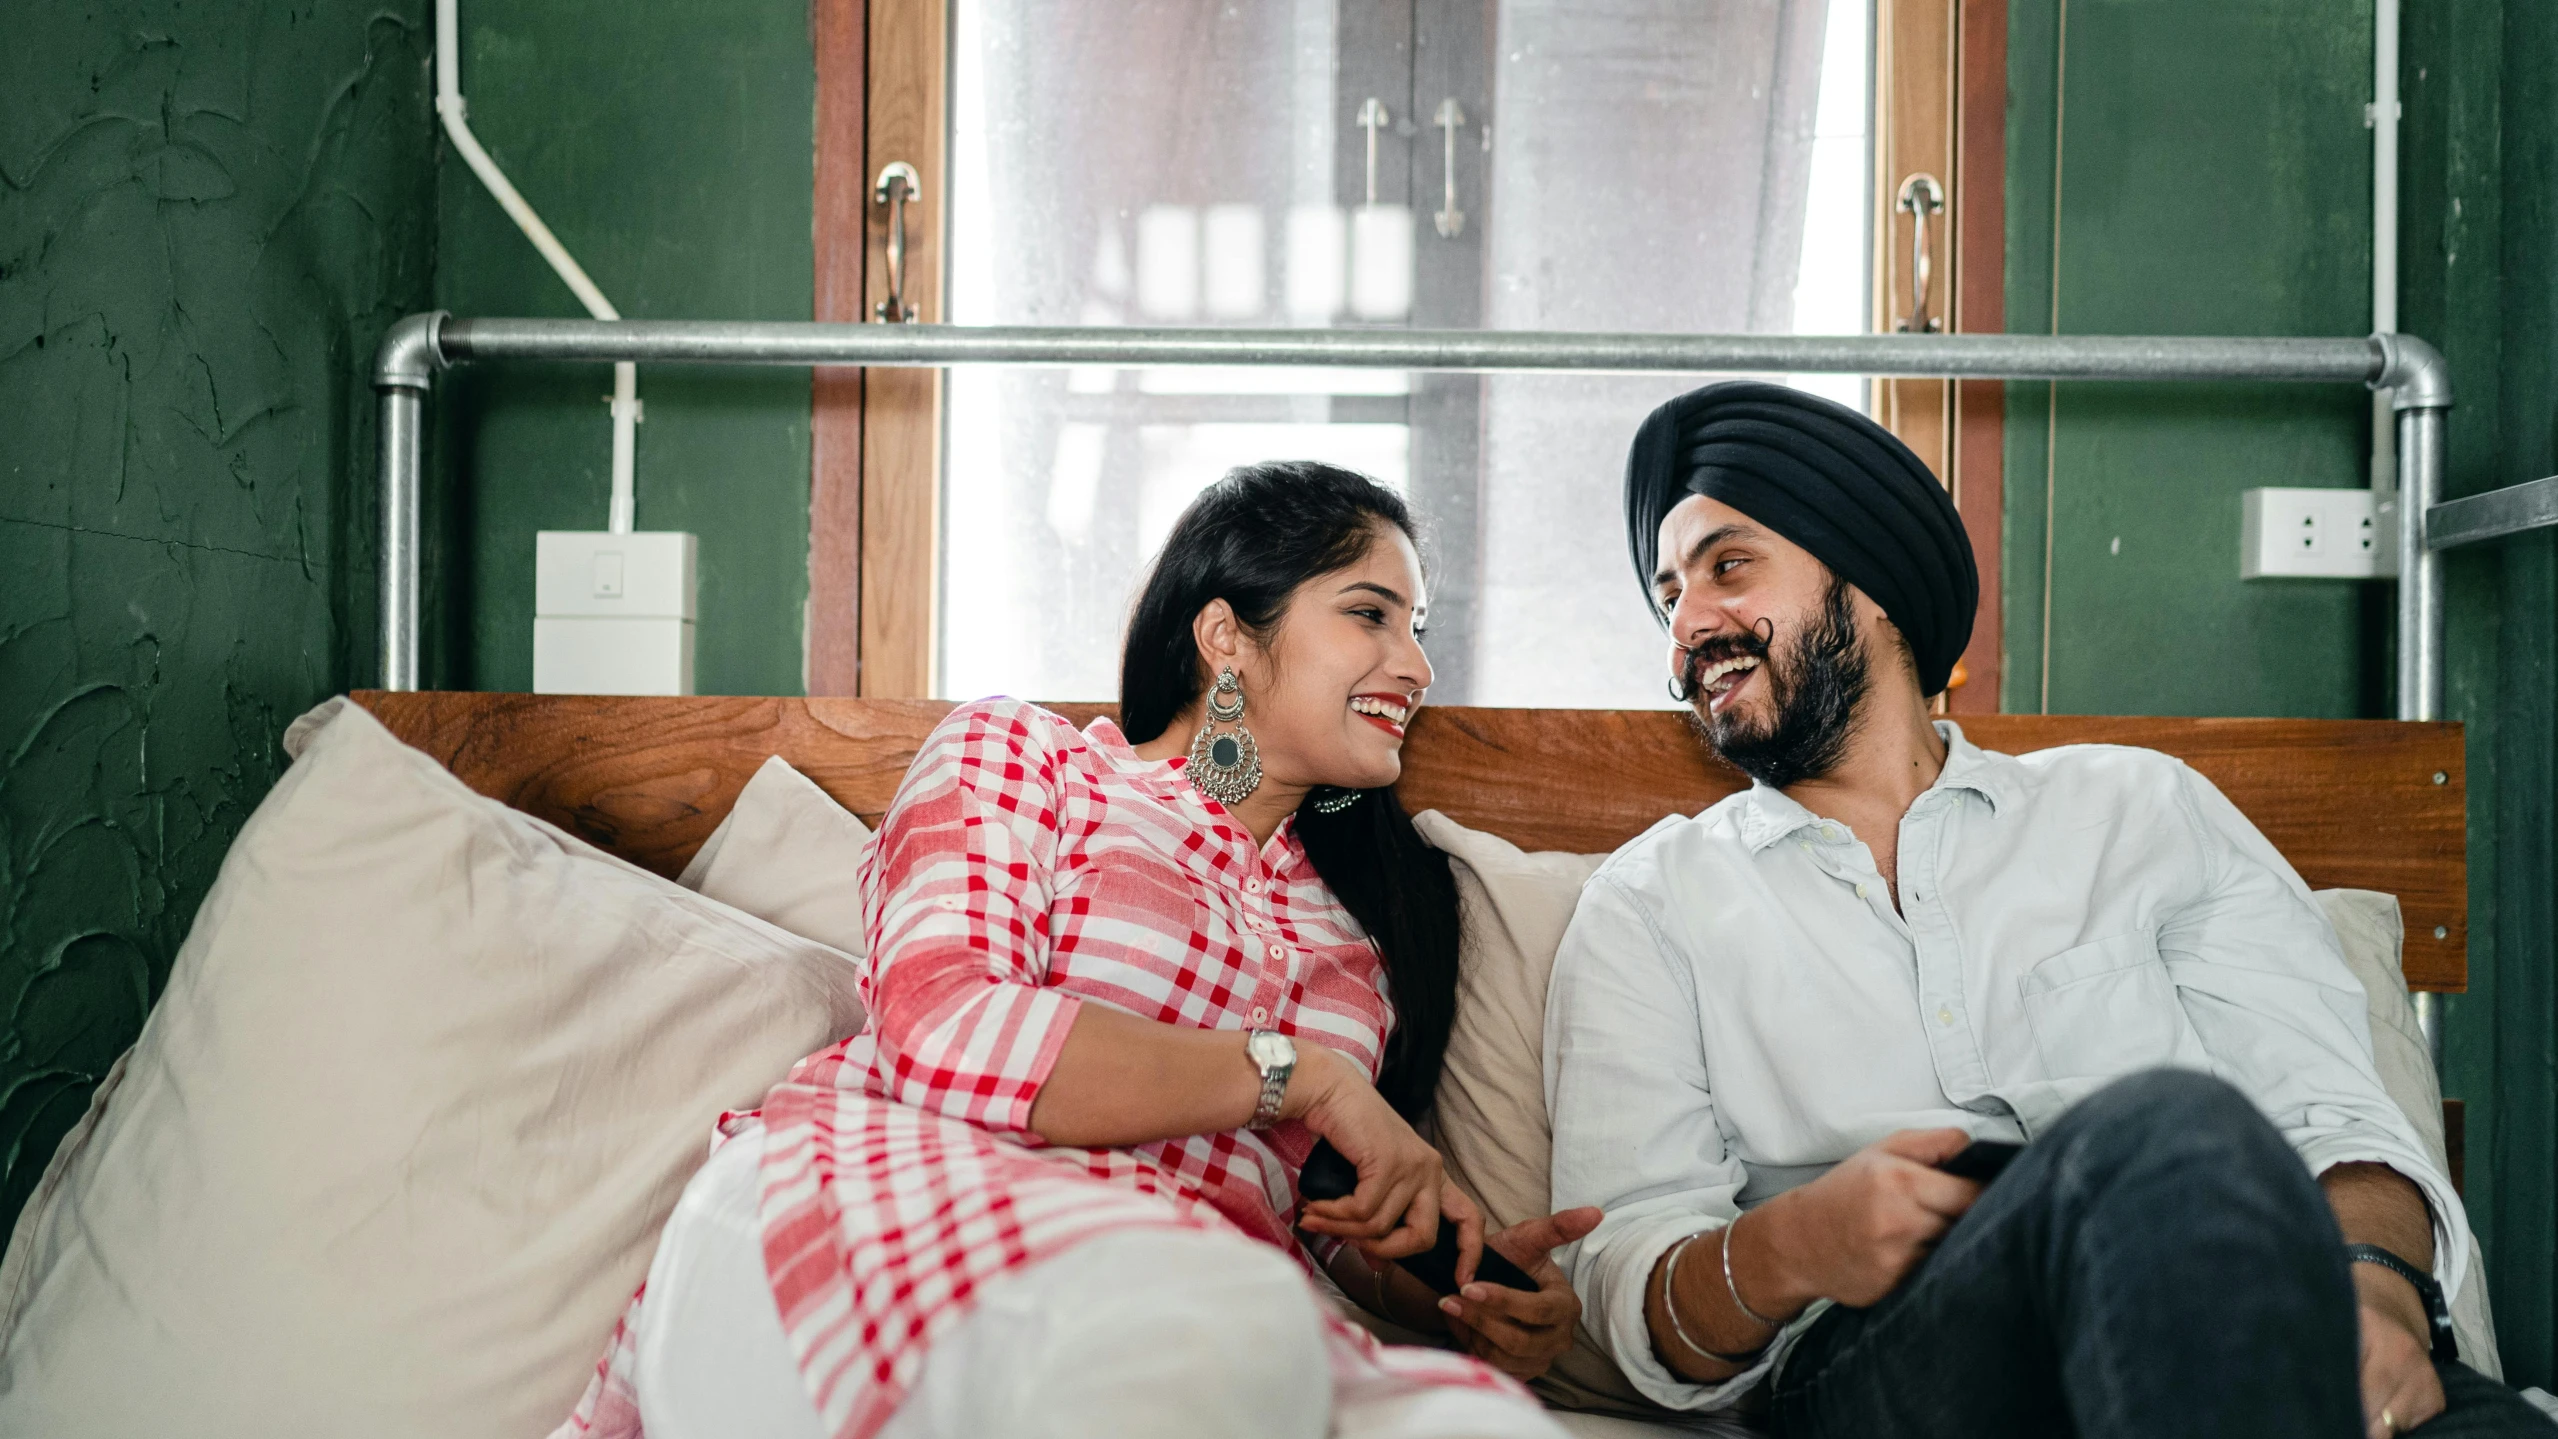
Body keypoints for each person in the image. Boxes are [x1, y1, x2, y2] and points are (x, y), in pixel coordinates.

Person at [1543, 381, 2557, 1439]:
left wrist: (2376, 1300)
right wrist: (1788, 1243)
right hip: (1892, 1352)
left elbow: (2333, 1117)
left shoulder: (2136, 808)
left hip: (2239, 1303)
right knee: (2165, 1122)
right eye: (1666, 599)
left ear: (1875, 583)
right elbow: (1623, 1284)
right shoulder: (1651, 901)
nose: (1684, 628)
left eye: (1726, 565)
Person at [556, 461, 1601, 1439]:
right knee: (1195, 1330)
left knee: (1470, 1418)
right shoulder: (1026, 759)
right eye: (1370, 614)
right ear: (1225, 635)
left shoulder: (1352, 940)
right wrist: (1303, 1079)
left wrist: (1451, 1285)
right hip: (885, 1196)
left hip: (1189, 1288)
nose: (1416, 665)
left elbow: (1307, 1208)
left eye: (1418, 627)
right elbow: (945, 1023)